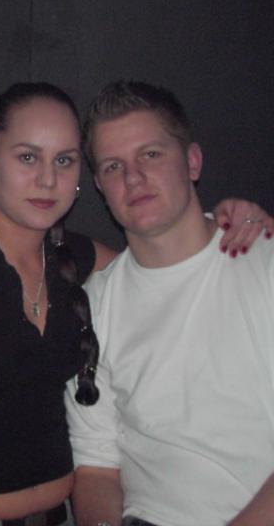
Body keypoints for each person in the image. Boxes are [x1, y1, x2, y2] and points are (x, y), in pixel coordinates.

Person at [0, 82, 267, 526]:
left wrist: (238, 220)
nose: (47, 179)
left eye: (64, 160)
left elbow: (166, 263)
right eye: (28, 157)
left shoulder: (83, 264)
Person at [65, 80, 274, 526]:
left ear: (192, 162)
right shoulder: (92, 307)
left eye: (151, 155)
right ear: (100, 186)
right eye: (114, 166)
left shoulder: (264, 262)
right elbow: (96, 467)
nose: (133, 178)